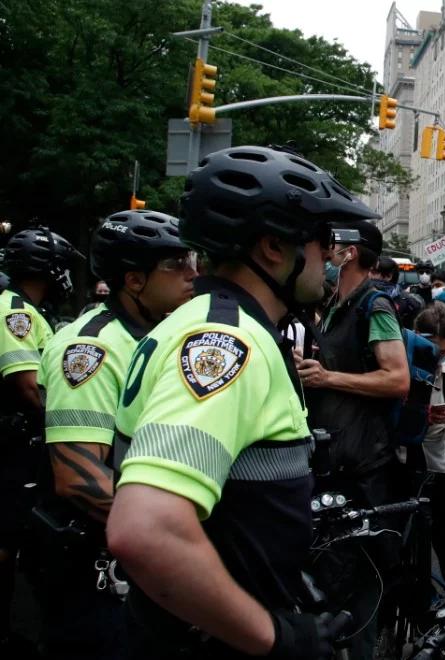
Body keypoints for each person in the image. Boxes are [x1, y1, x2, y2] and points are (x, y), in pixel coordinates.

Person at [106, 145, 379, 659]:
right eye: (322, 239)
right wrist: (273, 636)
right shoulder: (227, 343)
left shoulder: (206, 322)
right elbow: (145, 529)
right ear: (273, 246)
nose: (334, 255)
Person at [33, 210, 195, 660]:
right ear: (134, 280)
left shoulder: (154, 336)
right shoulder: (93, 347)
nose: (192, 274)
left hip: (137, 558)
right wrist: (188, 540)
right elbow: (79, 479)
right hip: (92, 569)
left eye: (192, 261)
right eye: (175, 265)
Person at [299, 219, 410, 658]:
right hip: (334, 464)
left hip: (364, 469)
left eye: (333, 246)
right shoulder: (336, 305)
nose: (326, 253)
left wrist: (327, 377)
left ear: (354, 253)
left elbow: (397, 378)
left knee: (361, 579)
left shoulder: (375, 305)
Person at [0, 226, 80, 653]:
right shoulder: (17, 312)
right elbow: (30, 386)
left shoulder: (27, 309)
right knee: (8, 535)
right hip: (13, 443)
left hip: (18, 442)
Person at [402, 306, 445, 597]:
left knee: (444, 541)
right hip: (399, 463)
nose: (437, 357)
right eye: (431, 350)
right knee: (402, 542)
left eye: (443, 351)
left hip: (436, 466)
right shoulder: (400, 362)